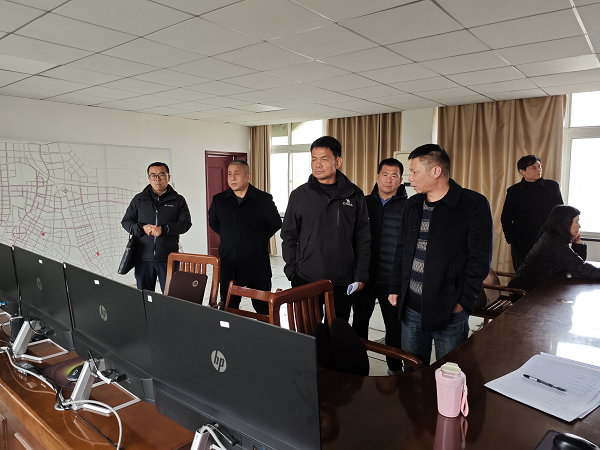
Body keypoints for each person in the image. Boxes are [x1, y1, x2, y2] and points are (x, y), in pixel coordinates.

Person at [388, 144, 493, 371]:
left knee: (450, 372)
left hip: (449, 309)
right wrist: (395, 286)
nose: (409, 178)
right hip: (411, 307)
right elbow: (402, 249)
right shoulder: (412, 204)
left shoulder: (472, 205)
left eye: (414, 172)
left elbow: (479, 259)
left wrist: (462, 302)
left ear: (435, 171)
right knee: (412, 371)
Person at [281, 136, 371, 321]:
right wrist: (291, 271)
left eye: (324, 159)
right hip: (305, 277)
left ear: (337, 162)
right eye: (314, 159)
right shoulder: (299, 195)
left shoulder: (354, 194)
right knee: (307, 330)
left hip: (342, 280)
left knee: (337, 330)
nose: (317, 164)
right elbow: (289, 235)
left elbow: (363, 238)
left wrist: (361, 275)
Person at [352, 158, 407, 374]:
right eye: (385, 174)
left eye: (394, 176)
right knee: (359, 323)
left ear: (400, 180)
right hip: (364, 276)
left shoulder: (409, 207)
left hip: (391, 279)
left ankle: (394, 369)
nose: (389, 180)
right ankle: (358, 365)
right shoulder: (363, 203)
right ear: (377, 176)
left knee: (394, 327)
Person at [208, 160, 281, 314]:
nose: (232, 178)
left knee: (262, 308)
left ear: (248, 176)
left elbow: (275, 223)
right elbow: (214, 223)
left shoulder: (263, 199)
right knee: (228, 307)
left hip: (256, 264)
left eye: (237, 173)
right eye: (229, 174)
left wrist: (256, 238)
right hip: (229, 263)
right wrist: (232, 235)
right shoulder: (219, 200)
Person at [122, 162, 192, 293]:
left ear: (168, 177)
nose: (157, 179)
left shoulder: (178, 200)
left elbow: (185, 224)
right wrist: (142, 228)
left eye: (161, 175)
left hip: (169, 258)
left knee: (170, 296)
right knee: (144, 296)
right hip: (142, 257)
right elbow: (126, 222)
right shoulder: (139, 200)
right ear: (149, 178)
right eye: (153, 175)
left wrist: (163, 229)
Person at [509, 205, 600, 292]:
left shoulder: (552, 237)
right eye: (576, 222)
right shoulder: (553, 242)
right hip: (524, 292)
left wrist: (577, 243)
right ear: (566, 223)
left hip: (539, 287)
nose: (579, 226)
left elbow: (576, 263)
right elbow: (579, 267)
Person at [501, 155, 563, 271]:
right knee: (523, 276)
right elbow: (506, 217)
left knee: (549, 276)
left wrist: (558, 235)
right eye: (533, 167)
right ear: (522, 171)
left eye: (539, 166)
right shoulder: (513, 191)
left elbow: (560, 213)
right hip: (522, 243)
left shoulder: (552, 187)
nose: (538, 169)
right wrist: (512, 238)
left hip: (548, 241)